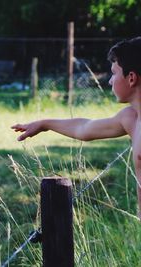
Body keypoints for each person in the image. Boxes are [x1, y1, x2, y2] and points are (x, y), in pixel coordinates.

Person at [11, 37, 141, 219]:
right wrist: (44, 124)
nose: (110, 81)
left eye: (114, 73)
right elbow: (84, 128)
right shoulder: (131, 118)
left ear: (131, 78)